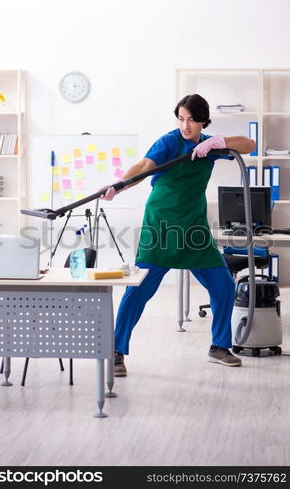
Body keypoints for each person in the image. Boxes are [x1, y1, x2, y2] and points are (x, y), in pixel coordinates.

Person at [101, 94, 256, 377]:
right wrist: (120, 184)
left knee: (222, 285)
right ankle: (115, 351)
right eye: (181, 118)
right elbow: (145, 167)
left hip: (193, 227)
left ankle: (220, 347)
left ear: (203, 121)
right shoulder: (170, 142)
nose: (185, 125)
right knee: (138, 290)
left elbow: (249, 145)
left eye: (192, 120)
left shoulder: (210, 146)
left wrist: (217, 143)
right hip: (161, 223)